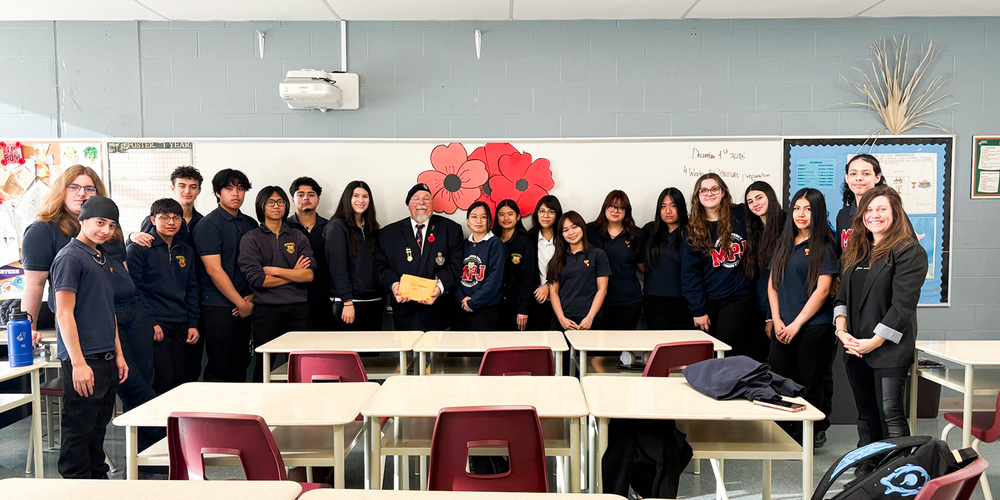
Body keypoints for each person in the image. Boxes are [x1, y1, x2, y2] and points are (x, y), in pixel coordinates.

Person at [835, 185, 927, 449]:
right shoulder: (857, 249)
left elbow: (902, 306)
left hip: (888, 350)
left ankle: (899, 476)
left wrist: (873, 342)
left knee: (891, 414)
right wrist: (841, 332)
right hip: (854, 346)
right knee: (866, 414)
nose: (874, 215)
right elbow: (841, 297)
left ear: (895, 213)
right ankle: (870, 466)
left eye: (882, 209)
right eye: (869, 210)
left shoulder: (909, 251)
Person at [49, 196, 128, 479]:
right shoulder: (70, 257)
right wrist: (78, 363)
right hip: (84, 360)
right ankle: (75, 486)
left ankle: (97, 481)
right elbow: (63, 314)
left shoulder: (102, 257)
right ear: (82, 220)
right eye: (99, 222)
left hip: (106, 357)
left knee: (98, 430)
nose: (105, 230)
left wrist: (118, 354)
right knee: (78, 432)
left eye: (111, 225)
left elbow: (110, 311)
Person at [767, 188, 839, 449]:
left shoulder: (825, 245)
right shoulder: (784, 243)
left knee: (811, 381)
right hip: (783, 326)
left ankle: (812, 431)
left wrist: (797, 324)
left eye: (808, 209)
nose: (801, 214)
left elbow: (822, 290)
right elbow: (772, 284)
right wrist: (776, 319)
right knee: (778, 377)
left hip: (813, 327)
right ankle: (784, 429)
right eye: (797, 208)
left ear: (818, 212)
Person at [21, 165, 104, 345]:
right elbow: (35, 284)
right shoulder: (42, 231)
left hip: (113, 321)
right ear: (61, 190)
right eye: (73, 187)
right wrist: (28, 329)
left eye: (89, 188)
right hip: (75, 323)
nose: (82, 193)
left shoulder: (105, 229)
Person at [239, 186, 314, 382]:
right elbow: (258, 279)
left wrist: (276, 271)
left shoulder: (298, 237)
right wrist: (293, 274)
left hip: (298, 309)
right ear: (261, 206)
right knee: (264, 366)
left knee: (302, 365)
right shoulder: (251, 238)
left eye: (280, 202)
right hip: (267, 311)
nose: (276, 206)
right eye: (270, 202)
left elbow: (308, 275)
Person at [127, 198, 200, 395]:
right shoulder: (139, 249)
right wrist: (151, 322)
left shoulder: (186, 251)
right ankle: (159, 426)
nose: (171, 222)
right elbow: (134, 291)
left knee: (182, 378)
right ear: (152, 220)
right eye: (164, 217)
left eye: (176, 218)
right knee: (161, 379)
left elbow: (192, 288)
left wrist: (193, 323)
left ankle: (176, 424)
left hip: (182, 324)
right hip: (155, 324)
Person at [191, 169, 257, 382]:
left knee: (241, 363)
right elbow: (214, 270)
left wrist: (251, 299)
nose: (235, 193)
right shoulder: (209, 225)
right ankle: (215, 415)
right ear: (218, 193)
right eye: (228, 188)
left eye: (240, 188)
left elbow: (257, 265)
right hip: (219, 306)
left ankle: (238, 415)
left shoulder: (250, 224)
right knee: (220, 364)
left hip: (246, 304)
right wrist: (241, 303)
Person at [681, 173, 754, 356]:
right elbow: (690, 275)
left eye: (714, 189)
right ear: (697, 196)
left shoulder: (741, 215)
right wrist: (698, 309)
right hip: (710, 299)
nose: (709, 193)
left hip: (738, 296)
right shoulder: (693, 231)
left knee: (728, 347)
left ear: (723, 192)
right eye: (703, 190)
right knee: (711, 353)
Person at [374, 183, 463, 331]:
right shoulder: (388, 234)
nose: (421, 202)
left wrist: (438, 288)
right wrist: (395, 285)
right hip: (404, 312)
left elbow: (456, 265)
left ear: (433, 204)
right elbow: (380, 267)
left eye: (426, 199)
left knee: (439, 353)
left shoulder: (451, 230)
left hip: (438, 311)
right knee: (406, 354)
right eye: (416, 198)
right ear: (408, 205)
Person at [326, 181, 384, 331]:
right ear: (347, 198)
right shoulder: (337, 228)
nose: (361, 200)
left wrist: (382, 301)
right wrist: (347, 302)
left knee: (372, 353)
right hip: (348, 304)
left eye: (365, 196)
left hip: (374, 301)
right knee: (351, 353)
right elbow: (337, 268)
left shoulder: (372, 228)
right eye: (356, 196)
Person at [588, 190, 644, 330]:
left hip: (629, 300)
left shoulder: (636, 235)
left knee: (623, 346)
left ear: (627, 211)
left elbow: (642, 265)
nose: (615, 210)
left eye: (621, 207)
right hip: (597, 300)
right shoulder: (590, 232)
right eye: (611, 206)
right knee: (599, 347)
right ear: (605, 208)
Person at [548, 211, 611, 331]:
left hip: (590, 319)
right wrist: (561, 318)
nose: (571, 233)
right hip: (562, 320)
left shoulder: (598, 255)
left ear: (582, 227)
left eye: (574, 227)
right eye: (565, 230)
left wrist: (590, 317)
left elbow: (602, 289)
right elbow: (553, 292)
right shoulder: (556, 259)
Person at [641, 188, 694, 330]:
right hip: (653, 299)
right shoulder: (650, 231)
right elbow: (640, 263)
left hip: (683, 301)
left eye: (673, 205)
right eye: (663, 206)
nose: (668, 211)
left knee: (681, 346)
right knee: (659, 346)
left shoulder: (691, 233)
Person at [744, 181, 784, 362]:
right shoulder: (753, 230)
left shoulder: (787, 225)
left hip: (781, 308)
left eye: (759, 197)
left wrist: (771, 316)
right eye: (750, 201)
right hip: (756, 306)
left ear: (770, 196)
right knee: (755, 359)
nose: (755, 204)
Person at [286, 176, 333, 331]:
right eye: (300, 194)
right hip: (292, 297)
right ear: (293, 199)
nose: (306, 198)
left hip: (325, 297)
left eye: (311, 194)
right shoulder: (284, 227)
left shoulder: (331, 227)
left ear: (318, 199)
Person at [455, 201, 505, 331]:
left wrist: (473, 302)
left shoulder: (495, 244)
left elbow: (495, 279)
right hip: (462, 307)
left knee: (481, 350)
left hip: (485, 309)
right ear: (467, 221)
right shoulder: (463, 244)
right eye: (474, 217)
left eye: (483, 217)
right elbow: (454, 273)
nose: (479, 221)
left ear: (489, 221)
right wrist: (462, 299)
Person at [130, 165, 205, 248]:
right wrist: (132, 236)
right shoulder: (156, 219)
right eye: (182, 186)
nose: (187, 191)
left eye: (193, 187)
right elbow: (139, 245)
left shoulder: (203, 222)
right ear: (173, 188)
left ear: (199, 191)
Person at [494, 199, 535, 331]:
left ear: (518, 217)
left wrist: (523, 308)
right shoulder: (492, 241)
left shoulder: (524, 242)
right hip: (494, 305)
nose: (506, 218)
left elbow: (528, 278)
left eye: (510, 214)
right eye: (501, 214)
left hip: (516, 306)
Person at [837, 154, 885, 252]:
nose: (859, 178)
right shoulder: (843, 215)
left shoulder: (889, 212)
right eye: (853, 174)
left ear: (877, 177)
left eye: (866, 174)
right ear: (847, 178)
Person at [527, 196, 562, 331]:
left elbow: (568, 267)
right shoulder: (529, 238)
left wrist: (549, 286)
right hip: (536, 301)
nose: (545, 215)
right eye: (542, 211)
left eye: (551, 211)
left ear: (557, 214)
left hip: (561, 299)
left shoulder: (563, 238)